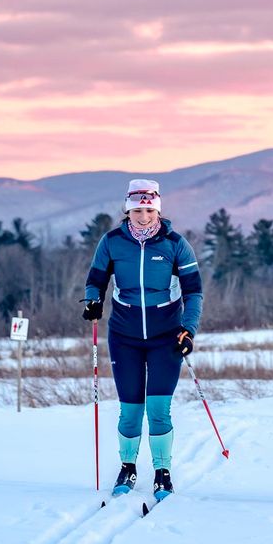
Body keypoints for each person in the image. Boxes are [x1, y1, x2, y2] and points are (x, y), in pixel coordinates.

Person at [82, 179, 203, 499]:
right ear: (128, 209)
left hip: (167, 334)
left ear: (158, 210)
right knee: (130, 410)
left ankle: (162, 472)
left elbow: (194, 292)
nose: (143, 216)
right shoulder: (111, 242)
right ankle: (128, 466)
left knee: (159, 408)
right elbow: (95, 278)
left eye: (149, 209)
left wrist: (188, 329)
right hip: (125, 334)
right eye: (137, 209)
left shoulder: (175, 244)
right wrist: (92, 300)